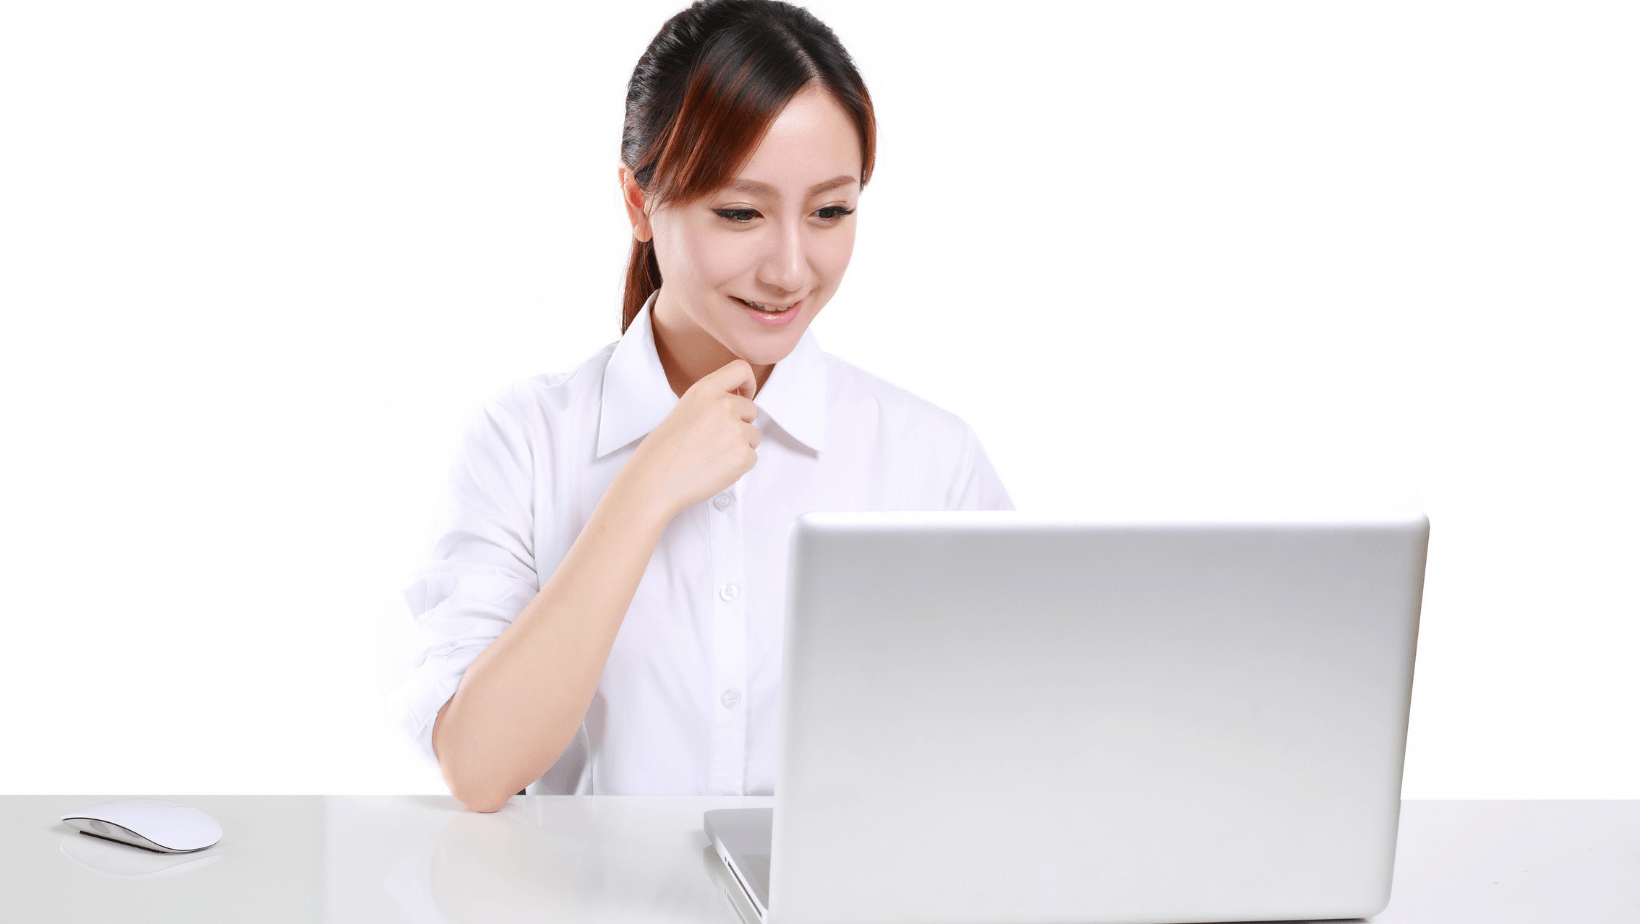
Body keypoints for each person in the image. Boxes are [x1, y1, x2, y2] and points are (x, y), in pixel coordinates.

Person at [391, 0, 1012, 813]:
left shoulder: (931, 462)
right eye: (740, 213)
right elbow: (481, 767)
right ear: (640, 203)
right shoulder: (527, 442)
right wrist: (645, 490)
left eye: (830, 211)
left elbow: (1012, 754)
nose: (791, 269)